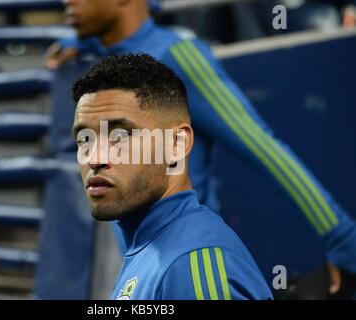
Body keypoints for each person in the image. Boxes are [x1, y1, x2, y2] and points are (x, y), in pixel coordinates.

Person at [46, 0, 356, 295]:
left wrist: (340, 235)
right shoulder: (107, 62)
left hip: (184, 265)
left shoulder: (179, 56)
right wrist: (85, 38)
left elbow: (264, 149)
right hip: (142, 262)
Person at [71, 53, 273, 300]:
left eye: (120, 136)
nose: (94, 158)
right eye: (85, 139)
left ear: (177, 144)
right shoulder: (152, 247)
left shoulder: (190, 262)